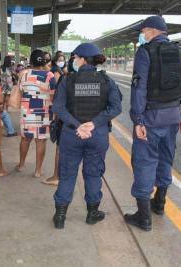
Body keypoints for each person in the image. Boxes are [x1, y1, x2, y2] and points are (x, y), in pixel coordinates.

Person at [124, 16, 181, 231]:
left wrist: (138, 119)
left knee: (144, 162)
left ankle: (144, 217)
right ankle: (159, 203)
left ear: (152, 31)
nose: (142, 35)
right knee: (166, 158)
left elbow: (138, 89)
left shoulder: (145, 52)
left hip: (149, 120)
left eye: (144, 31)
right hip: (173, 118)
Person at [51, 43, 122, 229]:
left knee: (67, 174)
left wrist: (77, 125)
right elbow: (116, 107)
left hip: (71, 133)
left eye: (75, 57)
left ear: (82, 59)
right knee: (93, 174)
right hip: (97, 134)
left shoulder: (67, 80)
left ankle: (60, 216)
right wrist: (94, 123)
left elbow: (58, 108)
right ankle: (92, 213)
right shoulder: (107, 81)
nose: (73, 60)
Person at [16, 49, 56, 178]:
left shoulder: (24, 75)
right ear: (44, 61)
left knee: (25, 139)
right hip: (43, 112)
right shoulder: (50, 76)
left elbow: (21, 91)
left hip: (27, 111)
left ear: (30, 61)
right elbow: (54, 94)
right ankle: (38, 171)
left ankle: (21, 165)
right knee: (40, 141)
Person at [42, 53, 67, 186]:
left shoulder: (56, 73)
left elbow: (57, 95)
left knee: (60, 147)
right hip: (77, 119)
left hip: (64, 116)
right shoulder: (63, 73)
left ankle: (56, 176)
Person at [0, 55, 17, 137]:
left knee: (2, 99)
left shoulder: (1, 67)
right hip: (9, 84)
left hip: (2, 85)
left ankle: (3, 111)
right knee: (7, 100)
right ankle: (5, 111)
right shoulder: (10, 68)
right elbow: (14, 74)